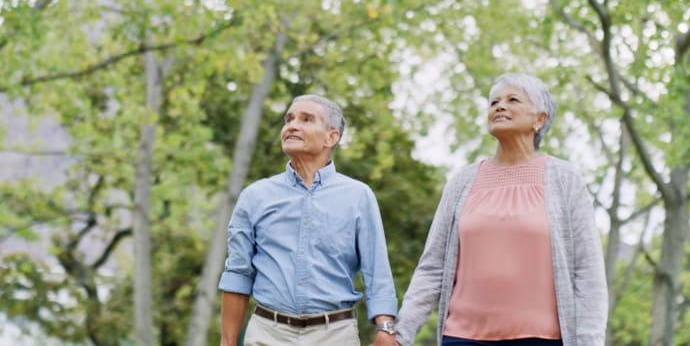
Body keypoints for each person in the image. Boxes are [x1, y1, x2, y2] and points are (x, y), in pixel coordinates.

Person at [393, 73, 608, 346]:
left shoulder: (564, 179)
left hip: (541, 338)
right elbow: (432, 266)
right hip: (462, 337)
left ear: (539, 120)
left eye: (512, 100)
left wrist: (589, 342)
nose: (499, 106)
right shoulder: (462, 182)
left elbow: (588, 272)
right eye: (494, 101)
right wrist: (402, 333)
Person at [218, 94, 398, 346]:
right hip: (267, 334)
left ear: (331, 137)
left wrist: (386, 328)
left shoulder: (359, 196)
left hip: (335, 335)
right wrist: (227, 343)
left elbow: (376, 271)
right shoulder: (255, 197)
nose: (292, 125)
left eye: (306, 119)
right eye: (289, 119)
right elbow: (238, 274)